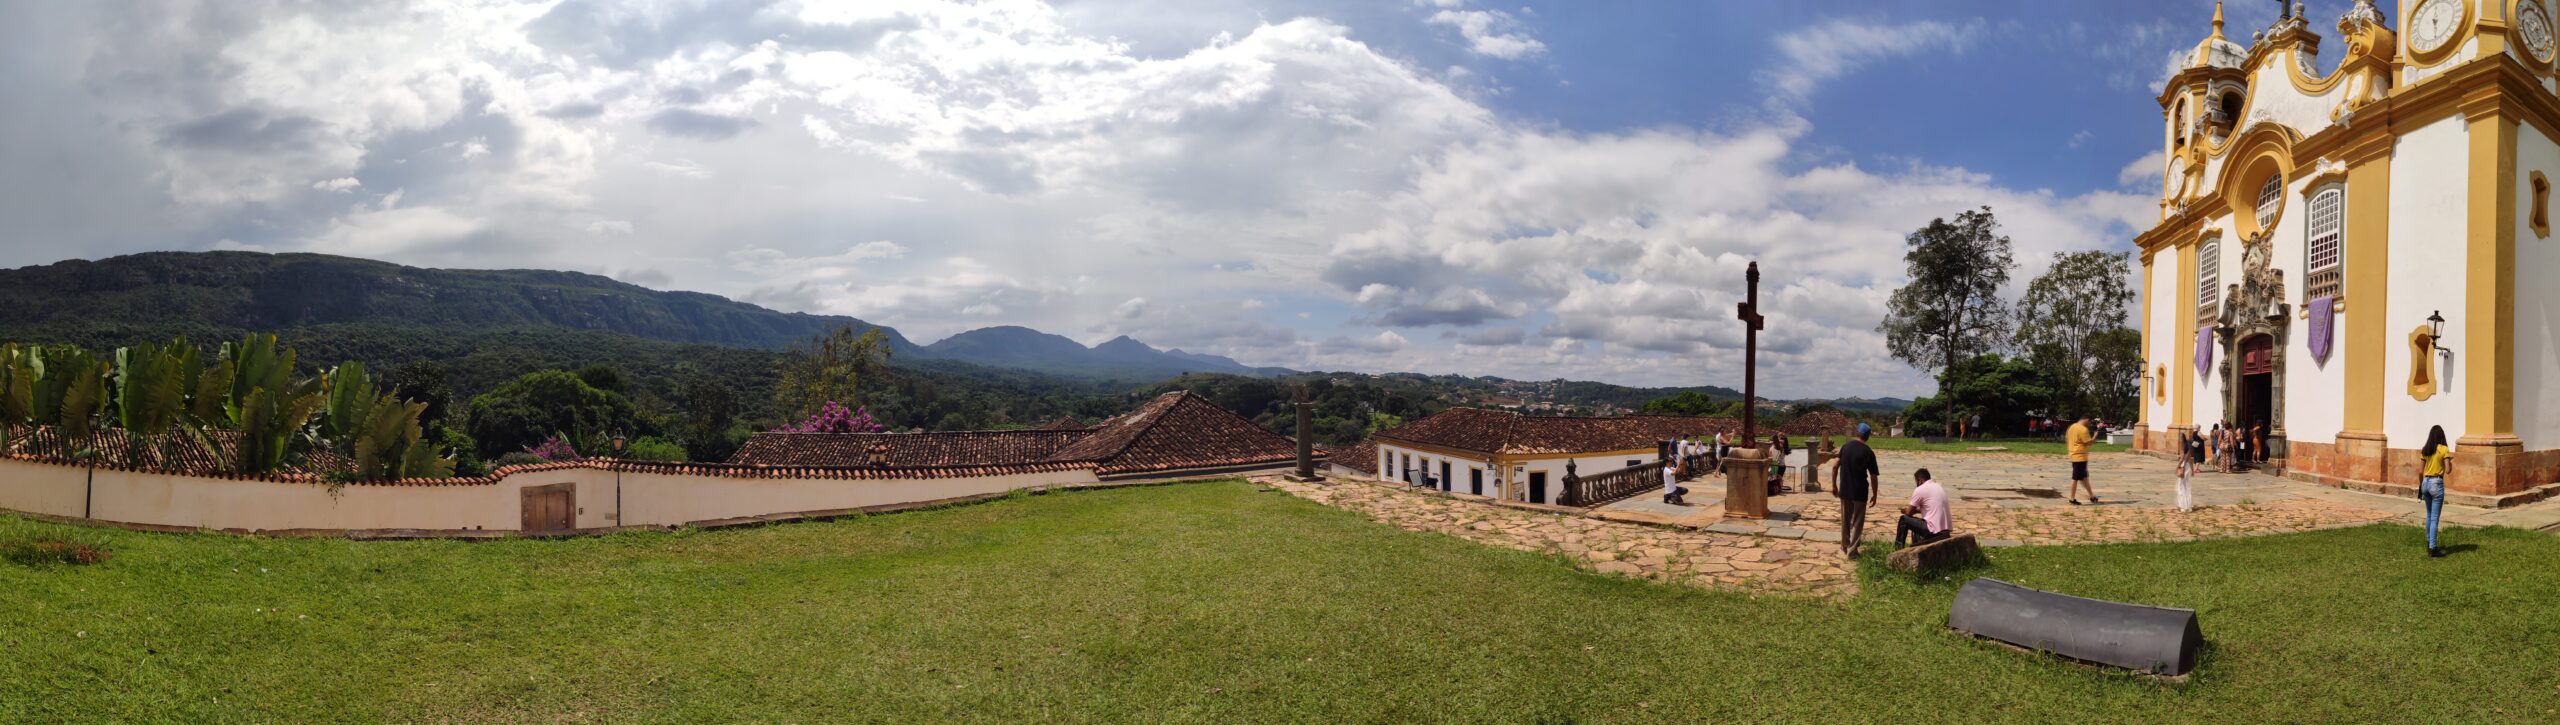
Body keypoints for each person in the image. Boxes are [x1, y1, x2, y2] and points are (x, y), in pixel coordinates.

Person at [1830, 423, 1882, 557]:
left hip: (1845, 490)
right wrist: (1875, 495)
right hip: (1860, 491)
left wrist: (1834, 485)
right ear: (1868, 436)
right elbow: (1874, 476)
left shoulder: (1846, 447)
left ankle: (1844, 546)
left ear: (1857, 433)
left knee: (1845, 520)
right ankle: (1852, 552)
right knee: (1857, 522)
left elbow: (1835, 466)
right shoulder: (1869, 452)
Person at [2419, 425, 2454, 557]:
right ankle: (2433, 548)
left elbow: (2420, 471)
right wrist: (2450, 462)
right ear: (2441, 436)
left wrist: (2420, 485)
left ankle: (2429, 542)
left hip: (2425, 482)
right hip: (2436, 483)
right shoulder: (2443, 449)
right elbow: (2448, 470)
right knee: (2434, 518)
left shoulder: (2425, 449)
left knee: (2429, 515)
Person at [1897, 468, 1951, 548]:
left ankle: (1898, 548)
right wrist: (1916, 511)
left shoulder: (1920, 489)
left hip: (1933, 531)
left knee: (1904, 520)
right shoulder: (1938, 486)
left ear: (1920, 480)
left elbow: (1908, 513)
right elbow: (1930, 508)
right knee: (1917, 523)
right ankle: (1917, 546)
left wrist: (1905, 510)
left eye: (1916, 482)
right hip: (1945, 531)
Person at [2066, 415, 2100, 505]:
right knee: (2075, 478)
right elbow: (2088, 442)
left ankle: (2092, 496)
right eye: (2089, 422)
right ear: (2087, 420)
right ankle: (2072, 498)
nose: (2089, 424)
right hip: (2080, 457)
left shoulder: (2072, 427)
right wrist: (2095, 436)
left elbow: (2068, 439)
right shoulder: (2083, 429)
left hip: (2074, 454)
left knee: (2084, 477)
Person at [2174, 425, 2197, 512]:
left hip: (2183, 466)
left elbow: (2182, 457)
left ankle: (2183, 505)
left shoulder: (2183, 447)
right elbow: (2190, 459)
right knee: (2187, 486)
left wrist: (2177, 466)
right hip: (2188, 467)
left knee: (2181, 486)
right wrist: (2192, 470)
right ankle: (2188, 506)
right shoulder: (2189, 447)